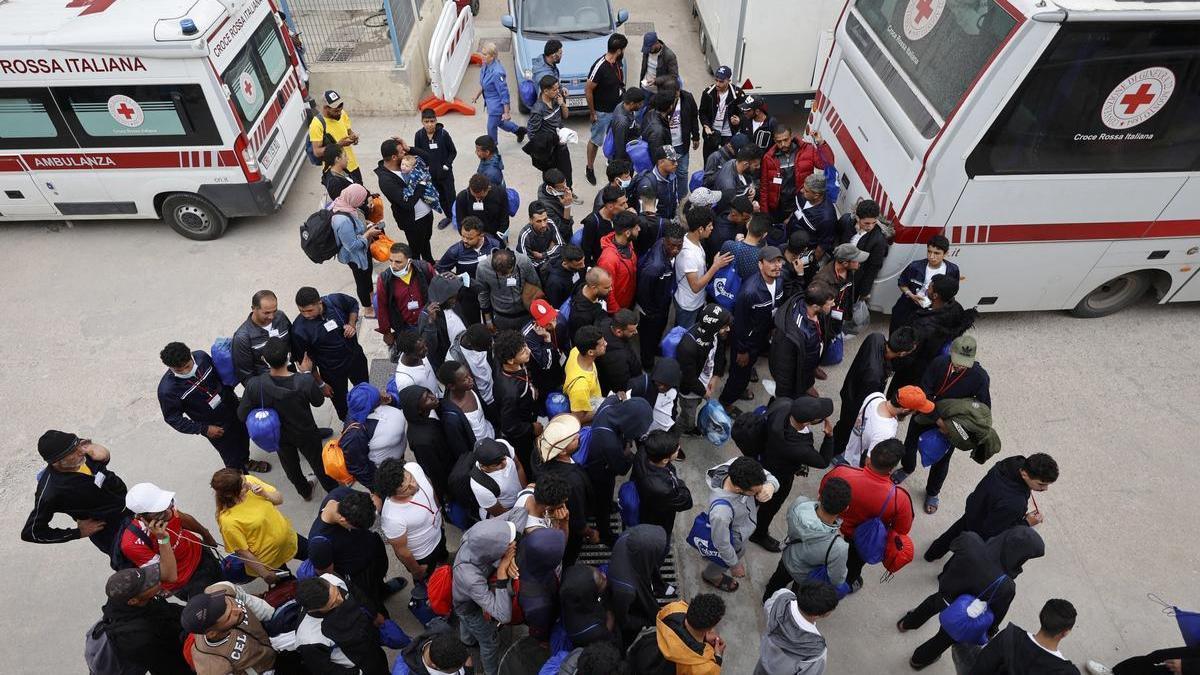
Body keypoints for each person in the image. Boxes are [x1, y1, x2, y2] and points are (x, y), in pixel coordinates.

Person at [899, 527, 1046, 670]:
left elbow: (954, 545)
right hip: (963, 614)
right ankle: (918, 660)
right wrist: (989, 632)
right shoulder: (1006, 586)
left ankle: (906, 623)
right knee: (942, 640)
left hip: (944, 593)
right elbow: (996, 615)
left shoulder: (970, 540)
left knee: (929, 605)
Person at [894, 335, 992, 514]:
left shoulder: (980, 377)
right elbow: (924, 392)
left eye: (965, 362)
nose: (960, 365)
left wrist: (954, 427)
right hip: (926, 412)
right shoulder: (939, 363)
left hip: (951, 424)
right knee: (910, 444)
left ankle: (932, 492)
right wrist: (938, 420)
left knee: (942, 459)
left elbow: (984, 409)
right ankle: (907, 468)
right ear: (951, 352)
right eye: (957, 360)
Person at [238, 336, 338, 497]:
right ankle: (334, 492)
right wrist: (306, 372)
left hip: (278, 435)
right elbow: (318, 401)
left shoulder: (255, 385)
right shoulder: (304, 381)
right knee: (319, 464)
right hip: (306, 432)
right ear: (289, 356)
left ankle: (305, 491)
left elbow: (242, 414)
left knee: (291, 467)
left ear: (264, 360)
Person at [925, 453, 1059, 562]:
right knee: (965, 555)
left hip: (974, 507)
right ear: (1024, 474)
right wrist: (1027, 522)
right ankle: (946, 575)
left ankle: (931, 554)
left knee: (952, 534)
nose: (1045, 489)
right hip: (981, 529)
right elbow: (995, 531)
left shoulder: (1013, 462)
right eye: (1041, 484)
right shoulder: (1015, 503)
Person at [820, 439, 914, 591]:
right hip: (861, 542)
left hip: (830, 527)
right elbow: (902, 529)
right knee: (852, 567)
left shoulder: (842, 472)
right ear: (892, 468)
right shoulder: (900, 498)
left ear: (870, 457)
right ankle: (846, 584)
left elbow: (822, 493)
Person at [157, 342, 263, 473]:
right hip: (215, 426)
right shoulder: (167, 390)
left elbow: (222, 375)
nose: (185, 371)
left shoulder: (202, 357)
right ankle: (241, 482)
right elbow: (173, 418)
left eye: (187, 366)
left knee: (243, 437)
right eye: (179, 370)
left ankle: (245, 462)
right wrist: (204, 429)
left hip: (233, 408)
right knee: (231, 458)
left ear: (191, 355)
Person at [750, 396, 839, 551]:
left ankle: (750, 507)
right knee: (770, 506)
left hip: (763, 458)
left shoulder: (783, 405)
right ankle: (759, 533)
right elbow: (823, 461)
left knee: (753, 495)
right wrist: (829, 436)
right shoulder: (797, 447)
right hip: (779, 476)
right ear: (806, 422)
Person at [22, 430, 127, 554]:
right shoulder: (50, 491)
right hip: (111, 530)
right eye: (73, 452)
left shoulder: (79, 450)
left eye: (78, 445)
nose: (82, 451)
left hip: (131, 507)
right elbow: (32, 533)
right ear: (56, 462)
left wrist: (104, 454)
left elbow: (98, 460)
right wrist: (78, 533)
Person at [120, 482, 221, 600]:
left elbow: (184, 519)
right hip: (186, 581)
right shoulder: (132, 544)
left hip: (202, 555)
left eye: (167, 504)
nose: (169, 511)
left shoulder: (165, 509)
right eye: (159, 510)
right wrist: (163, 539)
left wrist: (206, 535)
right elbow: (168, 574)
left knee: (226, 585)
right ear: (140, 517)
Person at [762, 478, 853, 600]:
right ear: (845, 509)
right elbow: (836, 579)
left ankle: (767, 599)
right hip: (806, 576)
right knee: (798, 595)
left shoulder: (800, 503)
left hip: (787, 557)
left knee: (777, 581)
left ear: (819, 496)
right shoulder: (838, 547)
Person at [211, 468, 306, 583]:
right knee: (291, 585)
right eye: (242, 487)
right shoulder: (228, 520)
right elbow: (243, 552)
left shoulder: (250, 481)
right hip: (269, 559)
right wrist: (265, 574)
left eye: (244, 480)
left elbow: (279, 499)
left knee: (320, 556)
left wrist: (264, 494)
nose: (247, 485)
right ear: (230, 494)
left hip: (290, 539)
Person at [831, 328, 917, 455]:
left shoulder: (875, 337)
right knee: (847, 428)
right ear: (903, 353)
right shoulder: (875, 376)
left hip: (850, 387)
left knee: (843, 423)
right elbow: (866, 404)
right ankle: (833, 451)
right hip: (856, 403)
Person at [888, 274, 978, 395]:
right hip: (930, 366)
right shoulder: (956, 308)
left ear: (935, 295)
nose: (926, 289)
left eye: (929, 287)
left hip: (912, 372)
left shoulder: (923, 326)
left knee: (898, 396)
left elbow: (909, 356)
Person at [720, 245, 785, 411]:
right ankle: (726, 401)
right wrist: (742, 351)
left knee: (748, 367)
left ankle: (740, 387)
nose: (777, 265)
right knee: (739, 373)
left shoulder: (780, 280)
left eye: (779, 261)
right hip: (746, 341)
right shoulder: (749, 292)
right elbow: (739, 324)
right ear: (760, 264)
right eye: (771, 262)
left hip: (761, 335)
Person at [702, 456, 779, 592]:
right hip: (734, 537)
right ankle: (711, 575)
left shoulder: (738, 465)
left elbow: (767, 475)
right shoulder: (721, 513)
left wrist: (771, 485)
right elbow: (722, 543)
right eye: (755, 492)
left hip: (738, 523)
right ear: (738, 489)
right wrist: (734, 565)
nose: (760, 493)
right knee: (724, 557)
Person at [291, 286, 369, 422]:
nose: (306, 315)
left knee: (365, 390)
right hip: (332, 372)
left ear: (320, 302)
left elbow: (353, 305)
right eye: (302, 311)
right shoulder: (299, 330)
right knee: (342, 406)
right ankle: (350, 427)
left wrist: (351, 324)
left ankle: (369, 414)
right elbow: (307, 363)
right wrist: (321, 384)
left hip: (355, 358)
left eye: (310, 310)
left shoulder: (335, 301)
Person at [309, 487, 395, 608]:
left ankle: (383, 589)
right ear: (343, 520)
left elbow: (372, 501)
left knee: (379, 578)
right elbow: (328, 575)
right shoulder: (319, 544)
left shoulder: (342, 493)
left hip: (373, 552)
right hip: (359, 573)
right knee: (372, 600)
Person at [452, 518, 519, 675]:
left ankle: (467, 640)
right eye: (509, 543)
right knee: (489, 643)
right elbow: (504, 616)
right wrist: (502, 572)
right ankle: (491, 671)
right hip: (470, 608)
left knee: (465, 623)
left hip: (460, 599)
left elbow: (519, 513)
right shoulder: (470, 577)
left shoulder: (474, 535)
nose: (513, 544)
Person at [585, 397, 652, 546]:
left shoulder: (609, 405)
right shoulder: (609, 442)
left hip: (602, 457)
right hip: (600, 472)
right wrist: (627, 453)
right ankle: (605, 533)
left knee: (607, 498)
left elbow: (615, 396)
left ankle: (609, 505)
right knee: (601, 502)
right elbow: (621, 469)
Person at [98, 567, 191, 674]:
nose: (156, 581)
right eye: (148, 585)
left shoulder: (122, 598)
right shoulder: (138, 639)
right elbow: (171, 667)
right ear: (133, 601)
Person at [294, 574, 389, 674]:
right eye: (333, 603)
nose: (341, 600)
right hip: (359, 664)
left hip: (370, 645)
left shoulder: (331, 579)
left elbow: (356, 593)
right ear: (315, 609)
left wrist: (374, 613)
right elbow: (325, 670)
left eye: (338, 593)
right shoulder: (308, 639)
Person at [536, 415, 597, 566]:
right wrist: (590, 533)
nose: (578, 436)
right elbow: (577, 519)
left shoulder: (540, 456)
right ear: (562, 452)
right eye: (573, 439)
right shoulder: (573, 482)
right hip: (569, 533)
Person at [181, 581, 277, 674]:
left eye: (229, 604)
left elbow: (246, 598)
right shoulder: (213, 667)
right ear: (212, 633)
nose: (239, 610)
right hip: (268, 667)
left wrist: (272, 616)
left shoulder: (220, 589)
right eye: (229, 616)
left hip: (274, 633)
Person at [377, 457, 447, 585]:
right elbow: (402, 551)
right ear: (392, 494)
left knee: (443, 557)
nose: (413, 485)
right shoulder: (392, 518)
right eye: (405, 489)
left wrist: (439, 512)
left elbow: (430, 490)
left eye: (410, 478)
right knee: (431, 582)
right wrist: (416, 570)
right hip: (424, 554)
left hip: (438, 533)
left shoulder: (414, 468)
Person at [837, 385, 935, 469]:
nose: (915, 412)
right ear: (905, 410)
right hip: (855, 463)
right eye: (915, 410)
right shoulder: (886, 431)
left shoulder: (876, 396)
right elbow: (870, 462)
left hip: (851, 447)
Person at [375, 139, 440, 263]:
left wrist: (409, 148)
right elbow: (407, 203)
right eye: (401, 152)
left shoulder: (404, 164)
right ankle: (417, 272)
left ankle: (430, 262)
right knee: (415, 250)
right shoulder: (386, 180)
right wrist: (422, 184)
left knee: (426, 241)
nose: (405, 153)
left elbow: (427, 157)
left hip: (426, 213)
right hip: (412, 221)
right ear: (394, 157)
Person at [756, 581, 840, 675]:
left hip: (763, 660)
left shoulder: (782, 596)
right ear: (816, 615)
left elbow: (767, 606)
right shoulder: (816, 651)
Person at [770, 282, 835, 400]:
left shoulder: (817, 310)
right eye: (829, 304)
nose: (833, 305)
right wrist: (784, 396)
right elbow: (784, 368)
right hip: (798, 369)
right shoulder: (792, 334)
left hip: (809, 362)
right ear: (815, 306)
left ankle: (808, 382)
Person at [981, 599, 1081, 674]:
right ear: (1065, 632)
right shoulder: (1067, 672)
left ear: (1040, 615)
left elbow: (981, 668)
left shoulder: (1009, 637)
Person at [676, 304, 731, 436]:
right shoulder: (687, 347)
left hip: (704, 384)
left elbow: (719, 353)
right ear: (714, 326)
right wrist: (703, 392)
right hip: (690, 391)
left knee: (696, 405)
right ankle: (685, 429)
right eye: (724, 327)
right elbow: (688, 378)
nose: (728, 329)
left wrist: (716, 375)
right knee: (689, 414)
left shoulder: (713, 334)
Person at [609, 524, 669, 645]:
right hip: (629, 610)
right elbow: (623, 619)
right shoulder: (626, 590)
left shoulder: (627, 537)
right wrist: (645, 623)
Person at [437, 216, 502, 326]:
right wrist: (457, 278)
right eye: (463, 236)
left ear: (481, 235)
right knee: (472, 325)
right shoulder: (455, 251)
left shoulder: (494, 245)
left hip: (491, 292)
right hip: (468, 295)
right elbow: (441, 268)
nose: (465, 240)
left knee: (494, 323)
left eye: (470, 238)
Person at [676, 206, 735, 328]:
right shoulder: (689, 255)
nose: (712, 228)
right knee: (684, 337)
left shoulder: (692, 239)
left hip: (696, 301)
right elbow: (695, 287)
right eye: (709, 226)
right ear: (700, 229)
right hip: (689, 306)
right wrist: (716, 266)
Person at [760, 125, 834, 222]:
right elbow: (764, 187)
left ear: (791, 137)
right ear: (774, 140)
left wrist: (821, 143)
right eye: (779, 141)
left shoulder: (808, 150)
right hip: (779, 207)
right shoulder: (768, 158)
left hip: (801, 203)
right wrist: (764, 215)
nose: (783, 144)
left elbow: (828, 164)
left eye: (786, 140)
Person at [637, 221, 685, 368]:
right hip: (652, 311)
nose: (676, 249)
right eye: (672, 245)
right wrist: (651, 313)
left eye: (679, 245)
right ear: (664, 240)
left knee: (657, 332)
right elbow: (643, 292)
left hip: (662, 302)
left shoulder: (664, 248)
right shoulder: (655, 267)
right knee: (648, 337)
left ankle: (653, 349)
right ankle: (647, 364)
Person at [890, 234, 961, 333]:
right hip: (908, 308)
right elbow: (902, 283)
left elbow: (952, 290)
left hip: (933, 312)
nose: (932, 256)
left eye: (937, 253)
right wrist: (911, 295)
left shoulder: (952, 270)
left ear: (945, 254)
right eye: (929, 251)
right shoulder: (914, 267)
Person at [376, 241, 437, 357]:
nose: (393, 265)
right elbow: (382, 307)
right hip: (405, 327)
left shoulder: (425, 268)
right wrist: (386, 332)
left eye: (398, 262)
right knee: (414, 355)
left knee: (432, 351)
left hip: (428, 321)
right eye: (391, 261)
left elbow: (436, 290)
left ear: (409, 261)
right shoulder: (384, 279)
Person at [328, 183, 381, 315]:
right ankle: (367, 308)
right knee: (362, 280)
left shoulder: (347, 205)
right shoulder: (342, 220)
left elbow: (356, 222)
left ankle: (371, 297)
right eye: (362, 199)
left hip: (364, 249)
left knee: (367, 274)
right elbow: (351, 246)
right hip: (355, 256)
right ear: (353, 198)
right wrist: (368, 234)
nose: (363, 202)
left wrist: (366, 224)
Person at [493, 330, 542, 470]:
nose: (528, 350)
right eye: (522, 351)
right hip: (522, 435)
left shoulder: (515, 365)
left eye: (526, 346)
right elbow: (510, 426)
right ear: (510, 360)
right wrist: (532, 428)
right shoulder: (510, 392)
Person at [585, 33, 628, 185]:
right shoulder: (600, 66)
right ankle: (589, 168)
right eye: (623, 49)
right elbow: (588, 89)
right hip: (602, 112)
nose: (624, 52)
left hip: (617, 108)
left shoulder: (618, 62)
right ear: (618, 50)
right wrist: (592, 113)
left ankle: (611, 164)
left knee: (615, 139)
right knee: (596, 141)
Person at [397, 385, 453, 497]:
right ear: (418, 409)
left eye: (429, 393)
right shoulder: (422, 442)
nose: (433, 397)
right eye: (427, 399)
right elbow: (436, 473)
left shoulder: (423, 421)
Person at [651, 594, 728, 674]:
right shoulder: (705, 668)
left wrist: (704, 637)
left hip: (645, 652)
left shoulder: (675, 608)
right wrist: (718, 657)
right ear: (710, 628)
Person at [632, 426, 691, 530]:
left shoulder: (643, 451)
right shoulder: (663, 489)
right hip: (657, 521)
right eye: (676, 450)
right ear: (664, 460)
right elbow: (686, 502)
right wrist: (679, 483)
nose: (679, 450)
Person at [231, 289, 294, 385]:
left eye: (274, 311)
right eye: (266, 313)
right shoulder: (242, 338)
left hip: (293, 378)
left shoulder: (281, 316)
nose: (272, 316)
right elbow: (246, 376)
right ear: (253, 308)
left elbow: (293, 342)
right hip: (270, 388)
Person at [517, 527, 568, 642]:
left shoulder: (526, 546)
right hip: (542, 618)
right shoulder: (538, 605)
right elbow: (539, 629)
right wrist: (543, 639)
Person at [437, 360, 494, 463]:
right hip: (481, 455)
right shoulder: (451, 417)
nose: (470, 379)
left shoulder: (470, 388)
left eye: (469, 375)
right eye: (464, 379)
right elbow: (461, 449)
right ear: (451, 386)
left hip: (491, 436)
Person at [813, 243, 869, 345]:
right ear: (845, 263)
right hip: (827, 320)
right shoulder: (822, 281)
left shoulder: (850, 271)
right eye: (856, 260)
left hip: (839, 316)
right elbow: (817, 309)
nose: (859, 263)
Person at [477, 247, 542, 331]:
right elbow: (483, 294)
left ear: (513, 263)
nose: (507, 277)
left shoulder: (524, 261)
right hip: (501, 317)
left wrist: (539, 313)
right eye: (501, 275)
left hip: (526, 314)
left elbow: (536, 285)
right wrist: (488, 321)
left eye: (509, 273)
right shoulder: (483, 268)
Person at [413, 108, 458, 229]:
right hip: (431, 175)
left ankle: (458, 218)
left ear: (436, 120)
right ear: (422, 122)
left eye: (432, 121)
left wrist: (446, 166)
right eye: (426, 121)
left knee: (451, 196)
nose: (429, 124)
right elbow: (418, 155)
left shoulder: (443, 134)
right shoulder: (419, 135)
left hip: (446, 174)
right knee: (441, 197)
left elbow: (453, 152)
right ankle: (449, 216)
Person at [474, 42, 526, 145]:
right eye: (482, 53)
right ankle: (519, 131)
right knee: (500, 123)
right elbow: (484, 83)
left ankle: (492, 149)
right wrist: (477, 95)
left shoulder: (497, 73)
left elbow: (504, 93)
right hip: (490, 102)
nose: (482, 56)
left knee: (491, 126)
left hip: (496, 105)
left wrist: (506, 112)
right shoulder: (486, 66)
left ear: (492, 57)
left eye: (485, 54)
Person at [526, 76, 572, 186]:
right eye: (555, 89)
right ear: (545, 91)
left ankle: (568, 191)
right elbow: (532, 134)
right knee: (551, 176)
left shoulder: (557, 99)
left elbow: (566, 116)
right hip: (549, 151)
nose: (558, 91)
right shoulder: (538, 110)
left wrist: (562, 104)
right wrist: (544, 146)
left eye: (558, 88)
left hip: (561, 146)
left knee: (567, 171)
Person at [309, 89, 361, 183]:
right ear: (326, 108)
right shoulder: (317, 124)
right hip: (337, 172)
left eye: (340, 109)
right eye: (336, 110)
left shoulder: (342, 114)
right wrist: (339, 145)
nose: (339, 113)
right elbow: (317, 151)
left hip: (352, 165)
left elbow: (349, 131)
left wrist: (353, 137)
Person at [418, 275, 469, 368]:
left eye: (455, 296)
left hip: (466, 355)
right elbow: (429, 349)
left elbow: (479, 288)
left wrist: (459, 277)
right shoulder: (426, 316)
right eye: (451, 298)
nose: (455, 300)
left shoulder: (453, 304)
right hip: (447, 363)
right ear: (441, 297)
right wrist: (431, 323)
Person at [469, 438, 527, 519]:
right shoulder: (480, 485)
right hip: (507, 510)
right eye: (497, 464)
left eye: (503, 458)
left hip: (521, 499)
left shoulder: (503, 445)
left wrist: (525, 493)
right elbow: (500, 513)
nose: (504, 463)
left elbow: (518, 466)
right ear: (484, 467)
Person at [698, 65, 746, 158]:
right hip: (711, 134)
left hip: (728, 135)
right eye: (716, 80)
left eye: (721, 81)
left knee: (726, 164)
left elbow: (745, 113)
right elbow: (702, 112)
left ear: (729, 81)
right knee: (709, 163)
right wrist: (706, 126)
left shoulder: (738, 94)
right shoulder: (708, 93)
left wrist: (739, 120)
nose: (717, 84)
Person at [789, 173, 837, 264]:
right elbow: (796, 210)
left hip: (803, 252)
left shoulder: (827, 218)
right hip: (791, 239)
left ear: (816, 195)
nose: (802, 191)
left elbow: (822, 246)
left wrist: (810, 264)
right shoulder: (803, 194)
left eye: (806, 191)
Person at [564, 325, 607, 422]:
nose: (606, 343)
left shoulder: (576, 351)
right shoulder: (580, 386)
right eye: (602, 344)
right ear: (590, 352)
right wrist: (606, 405)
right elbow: (579, 418)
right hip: (592, 407)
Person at [628, 358, 682, 433]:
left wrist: (672, 420)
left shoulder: (675, 385)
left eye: (666, 385)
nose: (662, 387)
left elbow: (673, 404)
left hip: (663, 430)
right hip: (644, 430)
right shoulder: (638, 385)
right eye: (659, 383)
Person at [593, 309, 640, 395]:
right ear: (618, 332)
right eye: (632, 331)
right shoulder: (616, 358)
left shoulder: (605, 323)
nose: (636, 332)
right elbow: (621, 384)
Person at [850, 199, 889, 301]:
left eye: (874, 222)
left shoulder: (879, 241)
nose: (870, 226)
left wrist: (864, 292)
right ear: (858, 218)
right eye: (866, 223)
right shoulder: (847, 222)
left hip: (855, 280)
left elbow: (873, 269)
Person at [582, 184, 628, 265]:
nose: (626, 206)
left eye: (625, 202)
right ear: (610, 206)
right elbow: (586, 249)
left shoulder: (620, 214)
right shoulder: (592, 222)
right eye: (622, 204)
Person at [454, 174, 511, 240]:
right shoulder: (462, 197)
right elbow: (461, 222)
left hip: (496, 234)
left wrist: (499, 238)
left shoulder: (500, 193)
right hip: (474, 237)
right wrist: (470, 238)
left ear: (488, 188)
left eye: (480, 197)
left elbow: (504, 218)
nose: (477, 199)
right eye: (474, 196)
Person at [399, 626, 472, 675]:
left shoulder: (443, 629)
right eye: (456, 669)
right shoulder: (408, 672)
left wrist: (468, 668)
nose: (468, 662)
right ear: (436, 667)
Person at [634, 144, 681, 221]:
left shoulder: (673, 177)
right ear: (661, 162)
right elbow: (646, 217)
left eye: (676, 160)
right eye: (672, 161)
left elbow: (675, 199)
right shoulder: (648, 184)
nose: (676, 164)